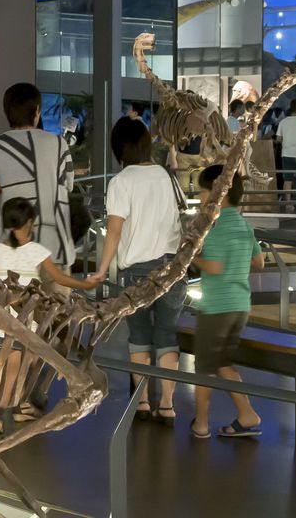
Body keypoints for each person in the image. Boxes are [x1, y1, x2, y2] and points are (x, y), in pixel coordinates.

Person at [92, 120, 186, 424]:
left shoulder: (122, 181)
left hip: (137, 272)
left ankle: (143, 402)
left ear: (119, 148)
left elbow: (115, 231)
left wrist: (102, 270)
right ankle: (168, 405)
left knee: (140, 335)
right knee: (167, 333)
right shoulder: (166, 176)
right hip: (173, 268)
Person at [0, 197, 98, 433]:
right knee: (21, 363)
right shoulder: (37, 251)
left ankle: (6, 411)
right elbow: (59, 278)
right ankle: (5, 411)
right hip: (24, 318)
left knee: (8, 364)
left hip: (3, 316)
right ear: (31, 222)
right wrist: (86, 285)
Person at [189, 164, 264, 439]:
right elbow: (259, 262)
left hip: (216, 306)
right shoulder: (244, 225)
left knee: (204, 369)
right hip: (240, 304)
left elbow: (215, 267)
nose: (200, 197)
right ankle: (247, 414)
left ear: (217, 192)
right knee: (223, 363)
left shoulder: (217, 226)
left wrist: (190, 258)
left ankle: (201, 424)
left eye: (202, 191)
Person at [0, 82, 75, 263]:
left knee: (14, 292)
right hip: (55, 248)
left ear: (7, 112)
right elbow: (69, 185)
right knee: (56, 291)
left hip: (14, 251)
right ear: (37, 112)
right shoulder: (59, 144)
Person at [276, 99, 296, 215]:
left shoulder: (284, 122)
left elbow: (278, 139)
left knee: (287, 179)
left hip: (286, 154)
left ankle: (288, 203)